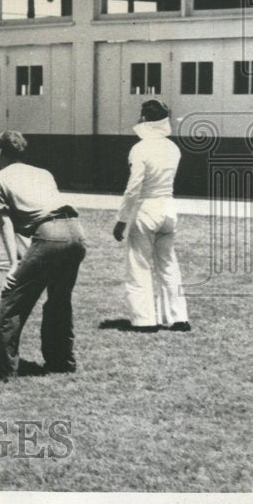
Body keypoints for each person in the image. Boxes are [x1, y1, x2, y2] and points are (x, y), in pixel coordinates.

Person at [0, 131, 87, 379]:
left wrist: (13, 265)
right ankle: (61, 362)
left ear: (0, 152)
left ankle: (4, 369)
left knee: (13, 301)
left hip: (50, 234)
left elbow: (6, 222)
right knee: (59, 301)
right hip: (76, 232)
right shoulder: (44, 174)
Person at [113, 99, 190, 332]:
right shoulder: (172, 148)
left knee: (139, 265)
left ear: (145, 119)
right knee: (168, 265)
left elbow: (133, 188)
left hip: (147, 208)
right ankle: (179, 318)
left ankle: (145, 320)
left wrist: (121, 219)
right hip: (168, 208)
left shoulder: (140, 148)